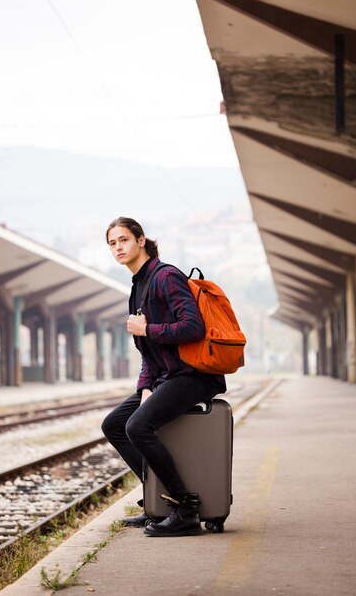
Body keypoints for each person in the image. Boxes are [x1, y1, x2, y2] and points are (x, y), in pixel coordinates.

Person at [101, 217, 226, 537]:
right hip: (167, 377)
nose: (118, 247)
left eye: (124, 240)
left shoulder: (165, 276)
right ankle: (158, 501)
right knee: (114, 425)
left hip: (194, 374)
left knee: (138, 426)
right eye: (112, 243)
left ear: (141, 240)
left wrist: (149, 328)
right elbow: (148, 352)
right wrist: (145, 387)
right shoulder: (137, 286)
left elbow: (193, 327)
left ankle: (184, 508)